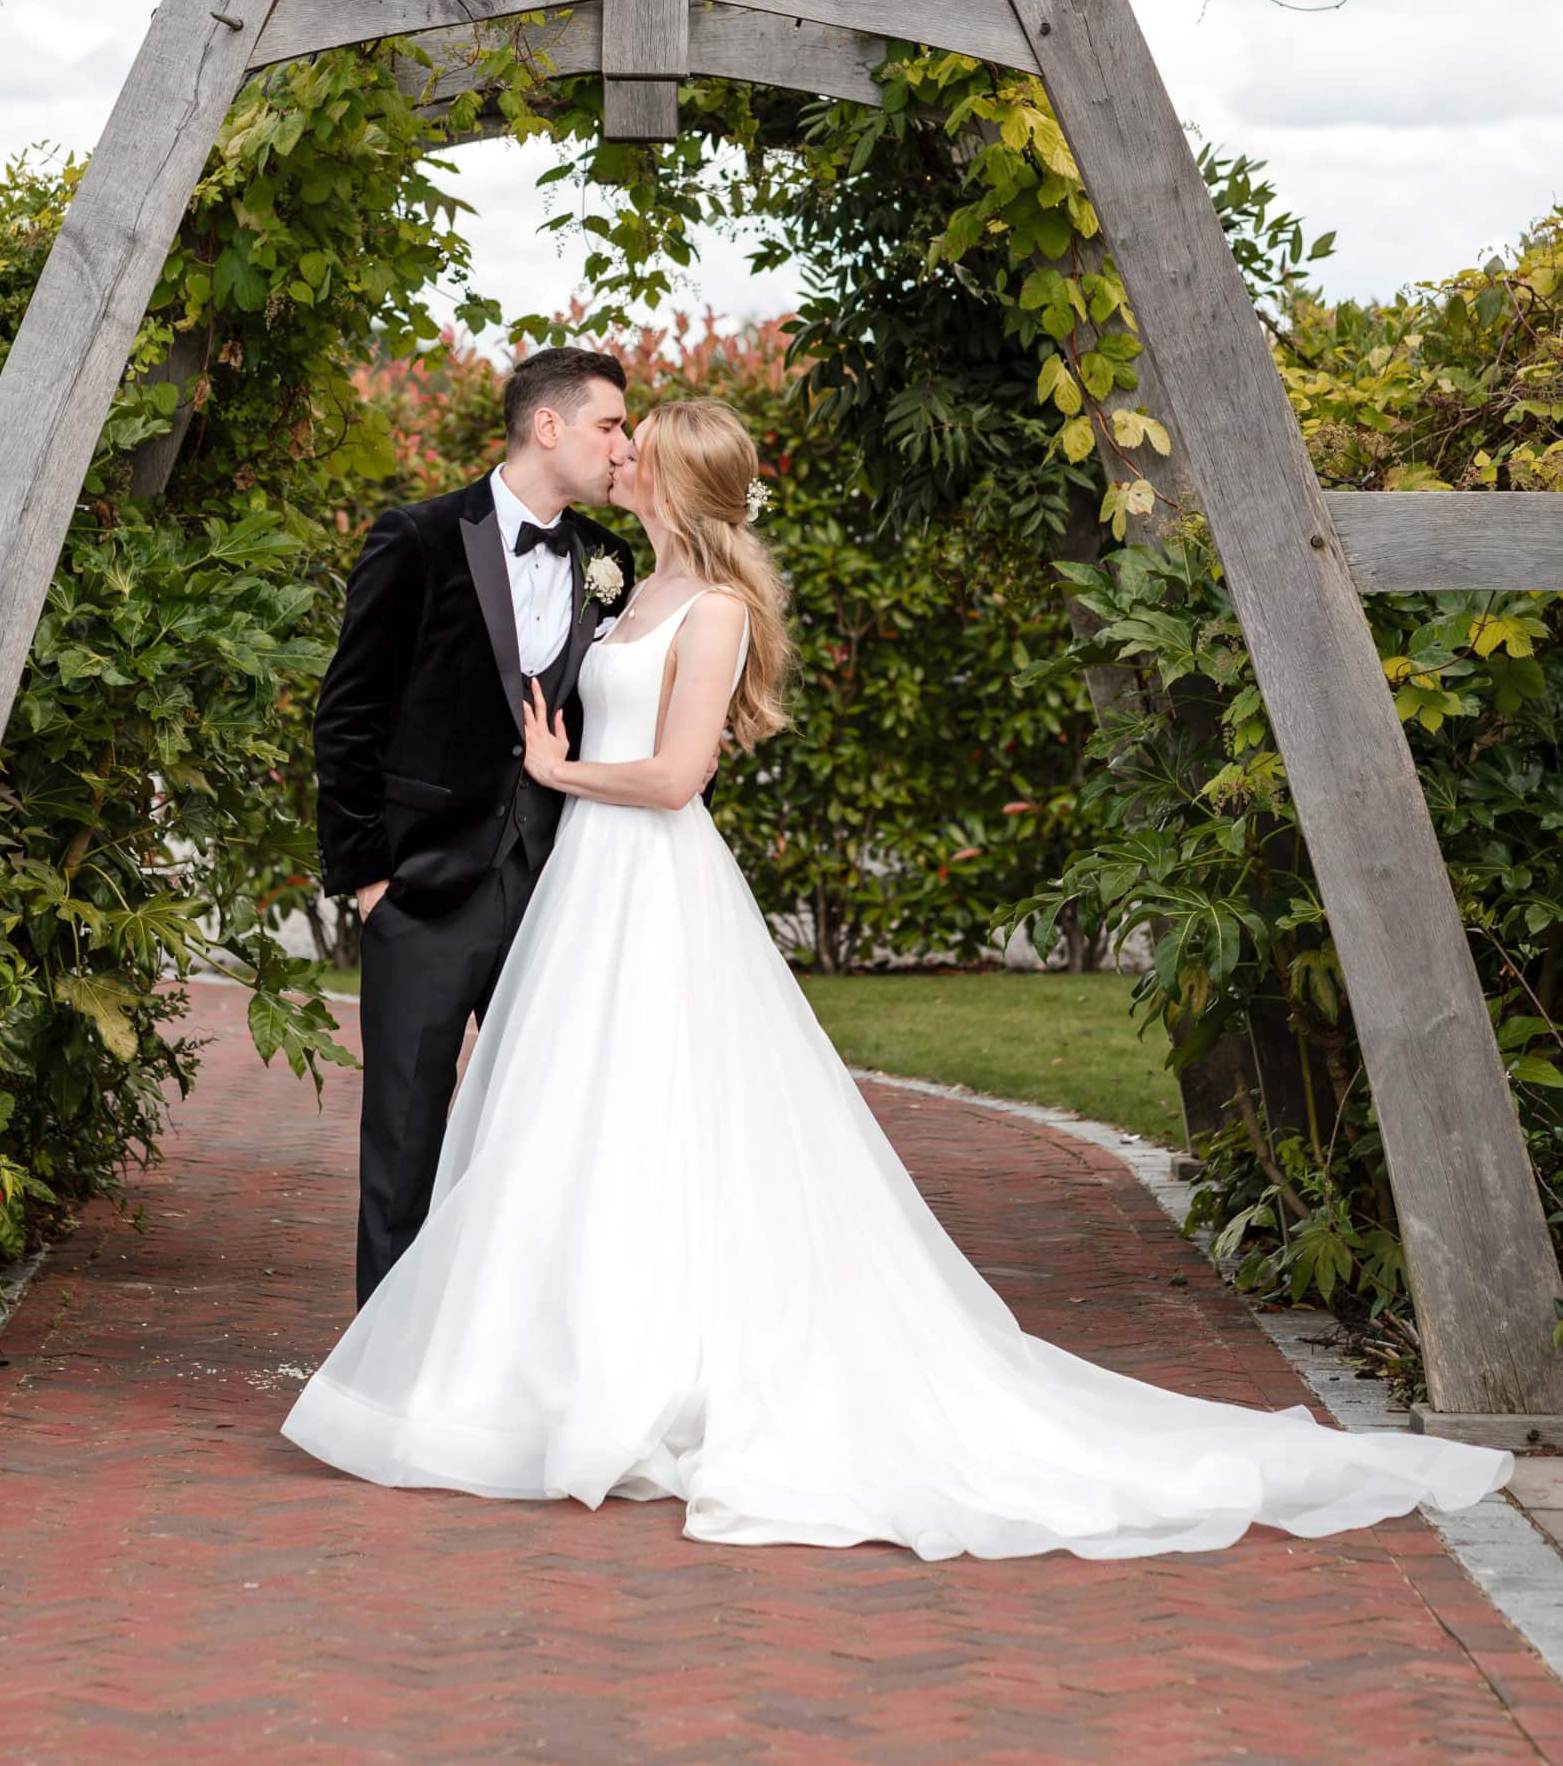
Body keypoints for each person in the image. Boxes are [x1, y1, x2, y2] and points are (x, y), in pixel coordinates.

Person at [284, 397, 1515, 1561]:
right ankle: (551, 1361)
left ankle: (662, 1367)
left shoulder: (710, 606)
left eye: (636, 445)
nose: (620, 456)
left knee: (656, 1108)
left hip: (647, 872)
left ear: (670, 478)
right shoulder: (633, 578)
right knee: (576, 1118)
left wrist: (562, 777)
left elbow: (675, 778)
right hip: (585, 889)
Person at [310, 343, 639, 1307]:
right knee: (405, 1135)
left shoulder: (609, 561)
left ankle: (510, 1351)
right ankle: (383, 1367)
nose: (620, 447)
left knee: (548, 1131)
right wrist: (368, 878)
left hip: (557, 888)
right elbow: (347, 716)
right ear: (549, 426)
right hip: (423, 887)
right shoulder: (414, 539)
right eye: (609, 425)